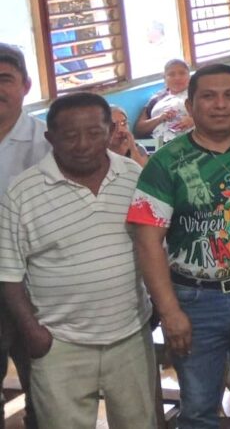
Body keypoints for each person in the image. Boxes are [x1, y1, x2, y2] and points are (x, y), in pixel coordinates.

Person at [128, 64, 230, 429]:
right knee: (198, 405)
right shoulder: (165, 163)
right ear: (190, 106)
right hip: (196, 301)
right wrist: (169, 311)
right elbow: (147, 242)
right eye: (208, 96)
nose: (220, 105)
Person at [0, 93, 156, 429]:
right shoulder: (22, 193)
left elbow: (155, 250)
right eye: (70, 135)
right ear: (49, 137)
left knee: (139, 423)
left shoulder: (133, 177)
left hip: (130, 336)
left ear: (111, 130)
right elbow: (8, 273)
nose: (83, 144)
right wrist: (33, 333)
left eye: (94, 132)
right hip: (59, 344)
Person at [0, 44, 51, 420]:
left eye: (5, 79)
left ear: (26, 85)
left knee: (43, 385)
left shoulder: (49, 142)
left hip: (35, 285)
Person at [134, 58, 193, 143]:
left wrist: (194, 121)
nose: (177, 78)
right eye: (171, 74)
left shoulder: (197, 94)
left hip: (188, 141)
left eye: (182, 73)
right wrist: (159, 118)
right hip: (158, 144)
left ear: (189, 76)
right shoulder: (156, 99)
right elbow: (138, 130)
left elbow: (214, 117)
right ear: (164, 79)